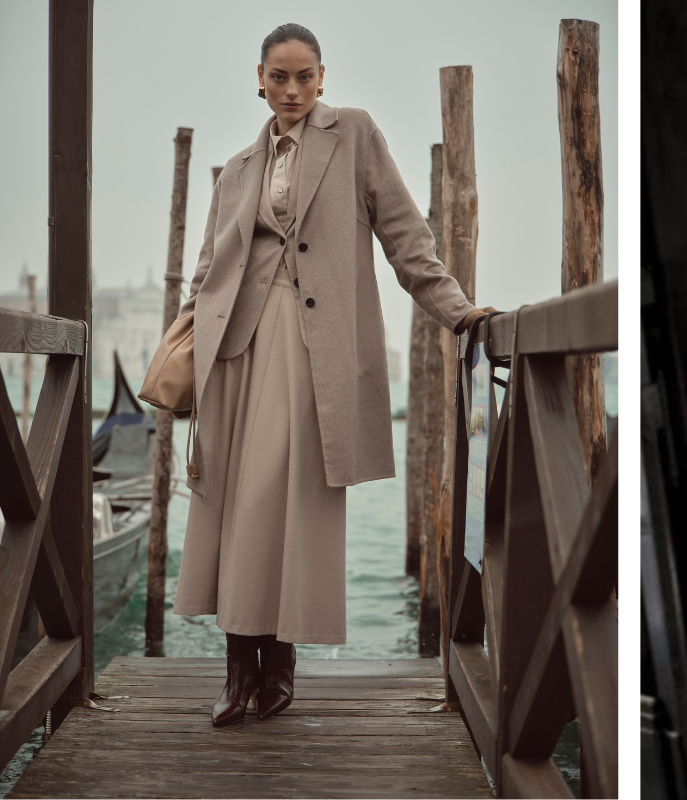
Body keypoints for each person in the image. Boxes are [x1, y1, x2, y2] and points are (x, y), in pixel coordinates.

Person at [168, 22, 492, 728]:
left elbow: (406, 236)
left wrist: (459, 312)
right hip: (234, 350)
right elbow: (207, 272)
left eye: (304, 76)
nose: (292, 89)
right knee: (230, 505)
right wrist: (181, 351)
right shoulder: (237, 169)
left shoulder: (354, 134)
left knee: (285, 502)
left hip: (312, 349)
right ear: (258, 80)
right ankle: (240, 669)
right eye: (278, 77)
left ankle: (277, 662)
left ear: (323, 77)